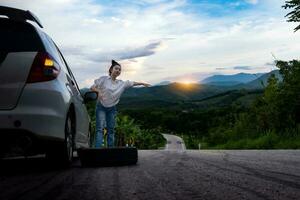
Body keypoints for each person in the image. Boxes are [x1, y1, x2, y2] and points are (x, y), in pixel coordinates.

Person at [90, 60, 150, 148]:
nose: (118, 70)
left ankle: (111, 150)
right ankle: (97, 150)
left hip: (112, 109)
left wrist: (142, 83)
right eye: (116, 68)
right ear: (111, 70)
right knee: (100, 129)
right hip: (101, 107)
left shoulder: (121, 83)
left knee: (111, 130)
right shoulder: (103, 79)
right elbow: (92, 87)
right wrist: (98, 91)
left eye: (119, 69)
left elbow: (132, 83)